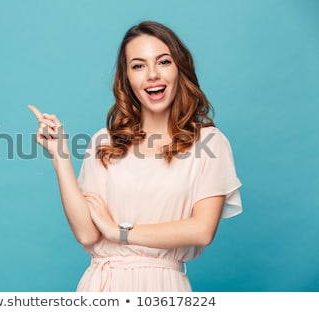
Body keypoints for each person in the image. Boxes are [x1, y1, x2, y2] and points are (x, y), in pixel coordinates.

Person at [28, 21, 242, 292]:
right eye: (138, 65)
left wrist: (120, 232)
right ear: (127, 78)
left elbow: (202, 230)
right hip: (101, 287)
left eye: (163, 62)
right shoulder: (105, 141)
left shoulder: (210, 143)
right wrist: (59, 154)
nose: (152, 74)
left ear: (179, 69)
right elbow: (86, 233)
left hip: (162, 287)